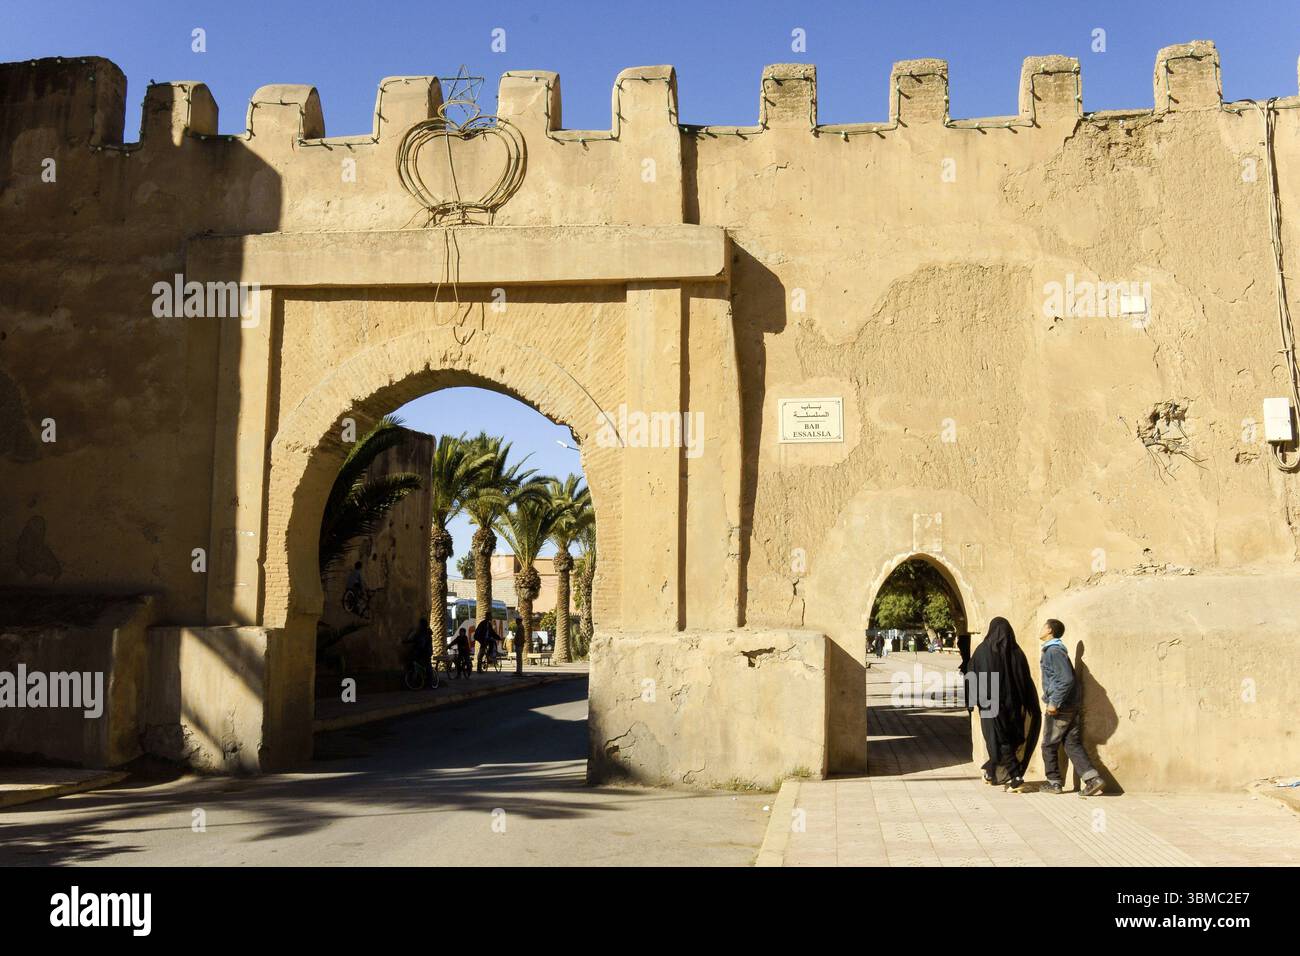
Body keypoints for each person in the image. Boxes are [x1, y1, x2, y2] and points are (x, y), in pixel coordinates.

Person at [966, 617, 1041, 791]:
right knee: (1003, 740)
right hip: (1013, 706)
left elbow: (972, 675)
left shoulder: (983, 651)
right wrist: (1026, 702)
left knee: (999, 741)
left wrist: (972, 703)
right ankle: (991, 773)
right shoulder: (1016, 651)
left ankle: (1015, 777)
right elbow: (1025, 680)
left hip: (990, 705)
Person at [1039, 619, 1105, 796]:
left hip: (1061, 708)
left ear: (1050, 630)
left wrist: (1054, 703)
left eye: (1044, 626)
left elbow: (1066, 679)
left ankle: (1053, 783)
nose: (1041, 629)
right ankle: (1093, 780)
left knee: (1048, 744)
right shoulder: (1056, 650)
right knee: (1071, 744)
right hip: (1070, 705)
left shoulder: (1053, 651)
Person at [402, 617, 434, 689]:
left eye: (420, 624)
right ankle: (417, 676)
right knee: (412, 661)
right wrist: (406, 641)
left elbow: (422, 643)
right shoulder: (419, 632)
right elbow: (414, 639)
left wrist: (420, 647)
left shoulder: (426, 633)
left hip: (426, 652)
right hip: (420, 651)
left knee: (428, 666)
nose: (418, 625)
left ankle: (430, 682)